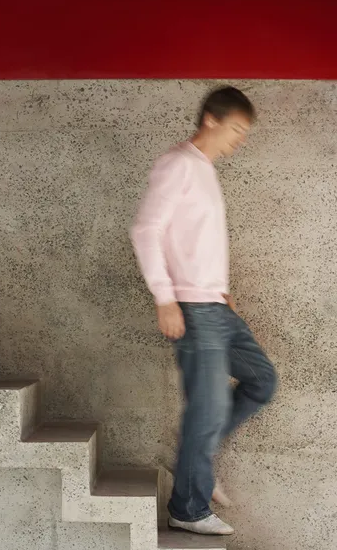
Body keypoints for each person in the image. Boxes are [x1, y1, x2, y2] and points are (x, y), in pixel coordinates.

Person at [130, 86, 277, 536]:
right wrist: (164, 297)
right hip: (192, 309)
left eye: (244, 132)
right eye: (236, 128)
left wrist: (221, 289)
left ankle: (198, 454)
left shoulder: (204, 169)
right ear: (211, 119)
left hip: (215, 305)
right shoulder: (179, 164)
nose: (240, 139)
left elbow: (193, 240)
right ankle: (188, 508)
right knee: (208, 411)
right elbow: (146, 230)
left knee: (261, 381)